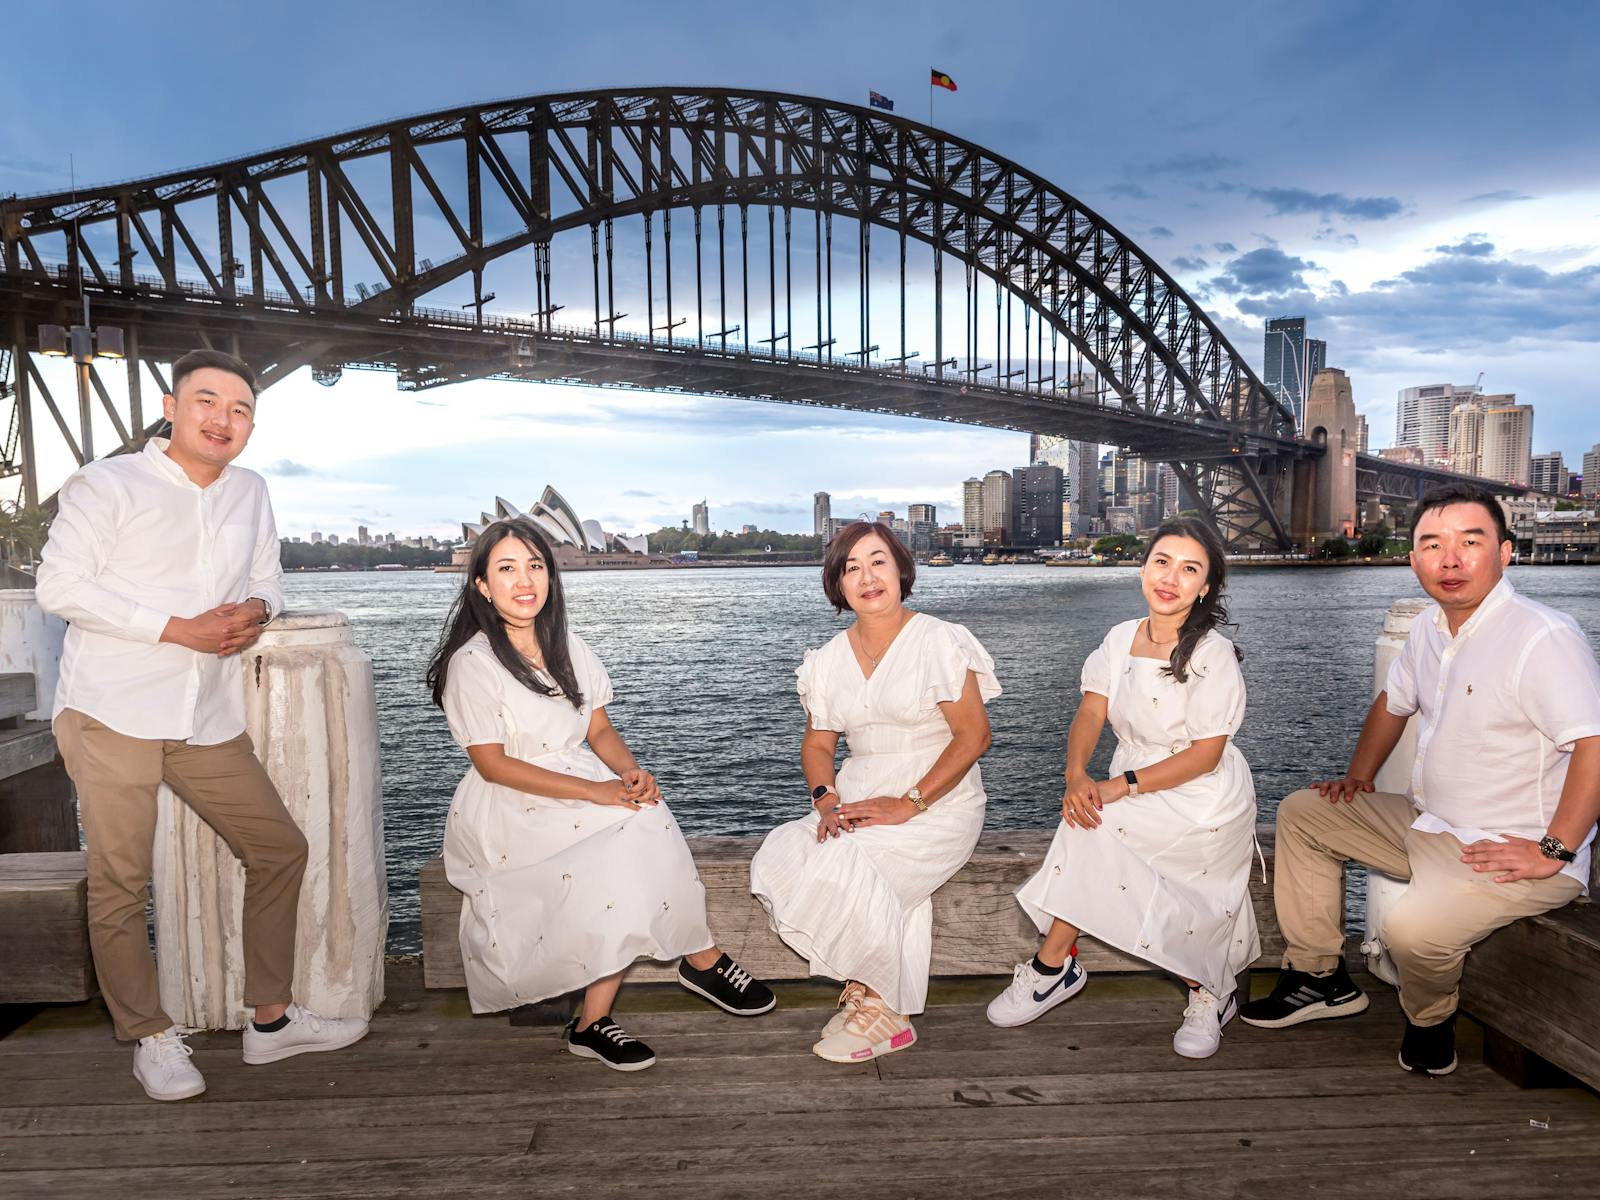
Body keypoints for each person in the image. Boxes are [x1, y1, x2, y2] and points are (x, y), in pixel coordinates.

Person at [36, 349, 368, 1103]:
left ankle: (272, 1023)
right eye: (207, 402)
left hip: (204, 716)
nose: (223, 419)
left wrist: (254, 611)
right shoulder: (106, 483)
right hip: (112, 710)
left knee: (279, 848)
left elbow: (265, 578)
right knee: (121, 881)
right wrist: (174, 628)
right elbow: (58, 584)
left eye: (241, 409)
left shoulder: (250, 491)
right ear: (171, 405)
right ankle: (149, 1036)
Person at [1240, 482, 1600, 1076]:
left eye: (1470, 541)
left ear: (1505, 552)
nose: (1450, 559)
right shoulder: (1431, 630)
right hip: (1428, 823)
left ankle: (1431, 1020)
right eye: (1432, 544)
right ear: (1414, 561)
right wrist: (1358, 779)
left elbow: (1592, 744)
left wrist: (1554, 849)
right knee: (1306, 813)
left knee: (1408, 930)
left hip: (1508, 848)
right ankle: (1320, 978)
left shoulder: (1543, 638)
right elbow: (1392, 703)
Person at [427, 517, 775, 1072]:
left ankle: (597, 1020)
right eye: (507, 568)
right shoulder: (473, 663)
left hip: (579, 785)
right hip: (514, 801)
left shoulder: (566, 643)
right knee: (618, 851)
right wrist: (596, 791)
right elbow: (492, 765)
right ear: (483, 588)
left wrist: (632, 775)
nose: (525, 580)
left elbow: (599, 731)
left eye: (536, 566)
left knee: (645, 813)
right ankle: (698, 960)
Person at [988, 517, 1260, 1058]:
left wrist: (1119, 786)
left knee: (1103, 828)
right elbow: (1092, 709)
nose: (1171, 578)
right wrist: (1076, 775)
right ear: (1143, 568)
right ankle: (1060, 968)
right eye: (1162, 562)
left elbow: (1205, 755)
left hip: (1201, 793)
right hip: (1131, 778)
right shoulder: (1119, 639)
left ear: (1204, 587)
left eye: (1189, 570)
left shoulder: (1212, 653)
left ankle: (1202, 990)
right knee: (1088, 817)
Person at [749, 522, 999, 1063]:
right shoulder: (827, 660)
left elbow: (974, 735)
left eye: (878, 561)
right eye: (851, 567)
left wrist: (908, 803)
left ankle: (884, 1004)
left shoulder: (938, 639)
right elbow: (818, 745)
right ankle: (875, 998)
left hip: (938, 796)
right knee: (789, 853)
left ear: (901, 570)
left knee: (863, 864)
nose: (867, 577)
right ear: (837, 584)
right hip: (860, 792)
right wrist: (825, 799)